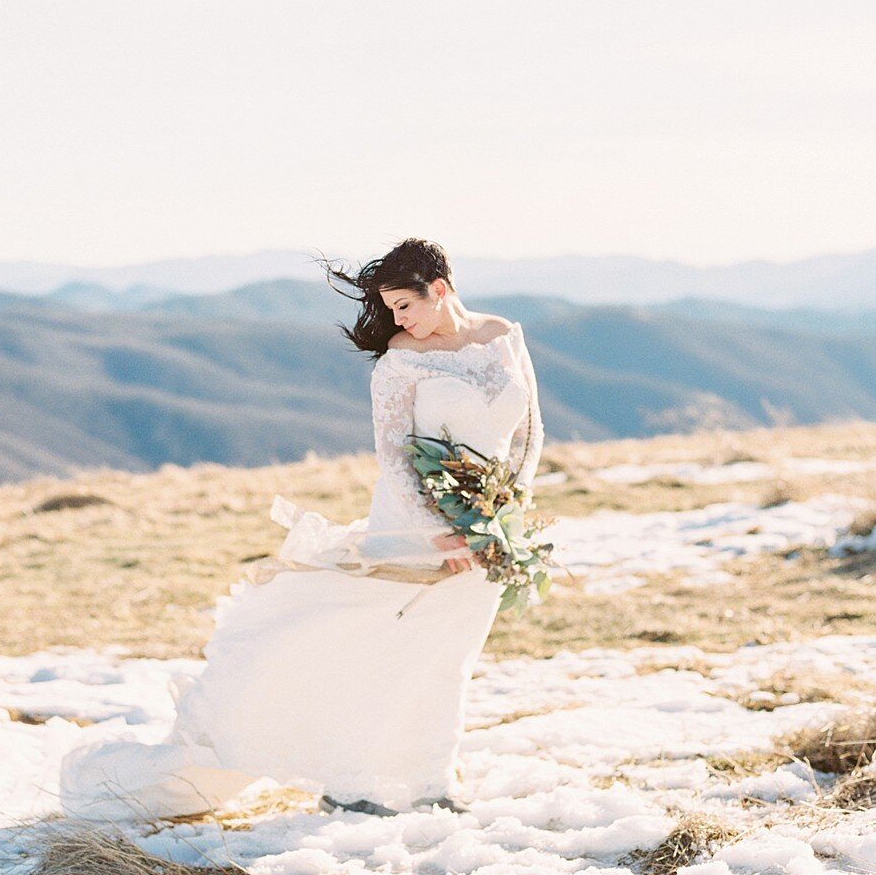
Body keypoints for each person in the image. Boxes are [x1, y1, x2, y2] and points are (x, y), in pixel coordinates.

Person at [59, 238, 544, 819]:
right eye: (390, 309)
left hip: (490, 531)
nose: (397, 319)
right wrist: (438, 531)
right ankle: (350, 782)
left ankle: (430, 782)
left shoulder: (501, 336)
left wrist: (504, 514)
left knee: (448, 656)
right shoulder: (400, 361)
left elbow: (529, 430)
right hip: (413, 529)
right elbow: (392, 457)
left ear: (439, 290)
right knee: (383, 651)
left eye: (404, 306)